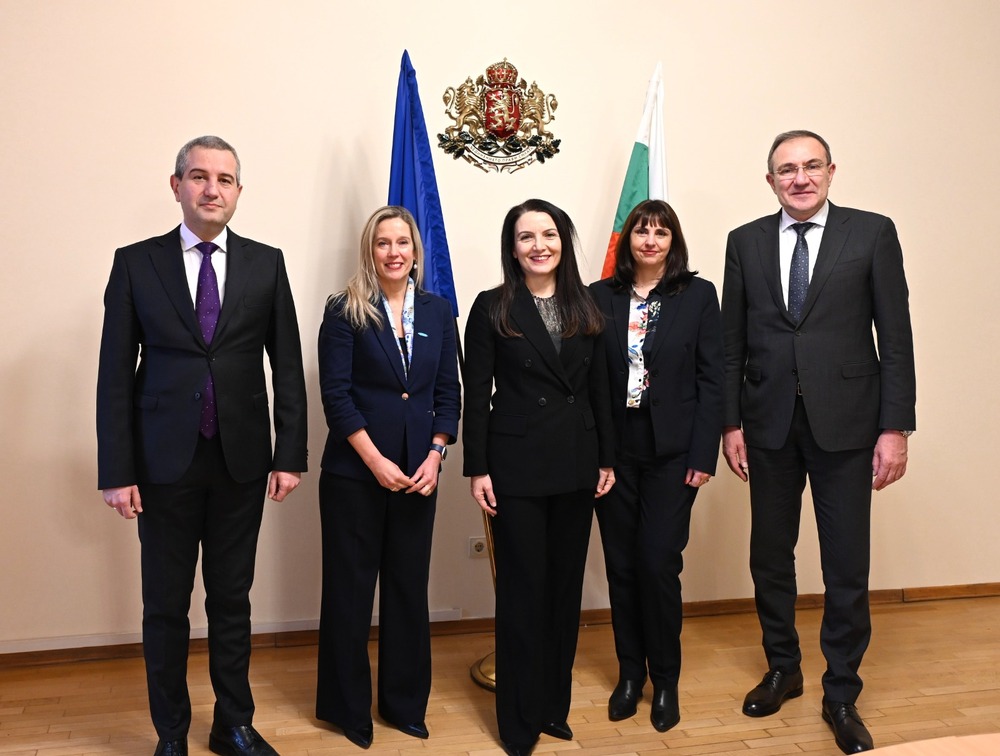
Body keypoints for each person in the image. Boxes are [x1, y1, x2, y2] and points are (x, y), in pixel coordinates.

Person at [97, 136, 308, 756]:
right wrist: (117, 469)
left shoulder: (267, 264)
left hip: (242, 460)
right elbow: (115, 372)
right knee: (165, 605)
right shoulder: (136, 263)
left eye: (225, 179)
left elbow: (288, 366)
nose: (212, 188)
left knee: (231, 599)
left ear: (239, 191)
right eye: (198, 177)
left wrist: (289, 454)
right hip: (161, 465)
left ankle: (234, 724)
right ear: (177, 186)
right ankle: (172, 734)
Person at [720, 130, 915, 754]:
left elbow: (897, 337)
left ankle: (842, 691)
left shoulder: (872, 233)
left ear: (831, 171)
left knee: (845, 563)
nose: (799, 178)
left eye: (810, 167)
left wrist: (895, 428)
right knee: (770, 557)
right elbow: (730, 345)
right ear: (770, 180)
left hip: (850, 425)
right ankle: (783, 668)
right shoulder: (745, 242)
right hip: (767, 423)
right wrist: (730, 424)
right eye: (786, 170)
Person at [462, 199, 616, 756]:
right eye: (526, 237)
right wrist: (476, 467)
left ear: (562, 241)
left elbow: (600, 388)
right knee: (523, 595)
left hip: (577, 464)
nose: (538, 245)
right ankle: (518, 719)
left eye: (548, 234)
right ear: (512, 248)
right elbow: (476, 396)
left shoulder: (587, 304)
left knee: (563, 592)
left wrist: (607, 459)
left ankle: (554, 706)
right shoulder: (491, 307)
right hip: (516, 469)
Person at [315, 206, 460, 750]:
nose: (394, 252)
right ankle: (347, 709)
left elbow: (449, 392)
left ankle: (403, 704)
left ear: (416, 250)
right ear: (369, 250)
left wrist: (435, 456)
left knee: (406, 591)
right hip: (356, 475)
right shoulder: (344, 310)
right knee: (350, 594)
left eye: (403, 242)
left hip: (418, 476)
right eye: (383, 243)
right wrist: (376, 462)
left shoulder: (440, 312)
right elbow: (336, 396)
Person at [589, 199, 724, 732]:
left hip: (674, 452)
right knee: (621, 566)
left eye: (660, 232)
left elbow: (713, 378)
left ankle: (665, 679)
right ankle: (630, 674)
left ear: (673, 240)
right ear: (627, 241)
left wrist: (702, 453)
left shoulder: (697, 296)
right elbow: (591, 380)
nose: (650, 240)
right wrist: (597, 455)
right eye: (641, 231)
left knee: (657, 563)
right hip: (615, 453)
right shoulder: (600, 297)